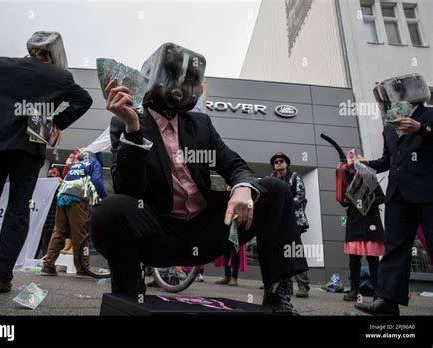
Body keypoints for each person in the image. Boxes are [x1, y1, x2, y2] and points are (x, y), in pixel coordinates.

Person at [89, 42, 308, 315]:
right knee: (109, 211)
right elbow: (128, 190)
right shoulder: (127, 122)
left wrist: (242, 188)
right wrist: (133, 130)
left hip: (207, 231)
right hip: (158, 231)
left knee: (274, 189)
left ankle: (278, 297)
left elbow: (234, 164)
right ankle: (128, 292)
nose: (183, 84)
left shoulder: (200, 125)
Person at [0, 31, 92, 292]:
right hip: (28, 148)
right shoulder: (60, 76)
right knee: (18, 211)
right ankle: (0, 274)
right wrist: (53, 125)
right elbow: (84, 100)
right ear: (55, 53)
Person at [355, 74, 433, 315]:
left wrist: (422, 130)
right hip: (397, 194)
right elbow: (389, 160)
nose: (385, 102)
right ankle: (387, 301)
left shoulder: (429, 115)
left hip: (428, 191)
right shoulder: (389, 125)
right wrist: (366, 163)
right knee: (394, 246)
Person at [41, 151, 107, 277]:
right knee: (80, 234)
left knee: (59, 231)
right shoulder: (94, 163)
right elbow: (97, 181)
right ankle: (83, 268)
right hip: (78, 198)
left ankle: (48, 266)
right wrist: (104, 197)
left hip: (62, 197)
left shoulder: (76, 165)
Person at [341, 151, 385, 302]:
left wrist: (366, 200)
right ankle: (354, 290)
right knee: (354, 258)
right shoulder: (344, 181)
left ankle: (377, 292)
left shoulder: (369, 177)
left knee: (373, 259)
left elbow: (382, 197)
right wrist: (349, 198)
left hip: (371, 221)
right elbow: (342, 201)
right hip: (354, 221)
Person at [267, 152, 310, 298]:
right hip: (278, 219)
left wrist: (285, 205)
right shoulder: (271, 178)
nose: (278, 163)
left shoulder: (295, 176)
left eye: (281, 161)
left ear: (286, 163)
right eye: (276, 161)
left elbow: (300, 195)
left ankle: (303, 285)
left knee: (295, 250)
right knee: (281, 251)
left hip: (294, 218)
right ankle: (286, 285)